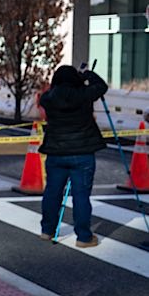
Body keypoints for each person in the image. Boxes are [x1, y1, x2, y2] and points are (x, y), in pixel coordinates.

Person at [38, 65, 108, 248]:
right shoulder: (84, 94)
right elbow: (101, 86)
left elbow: (47, 96)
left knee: (52, 192)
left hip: (56, 152)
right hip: (83, 153)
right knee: (81, 196)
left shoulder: (48, 98)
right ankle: (83, 237)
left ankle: (47, 230)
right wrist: (86, 74)